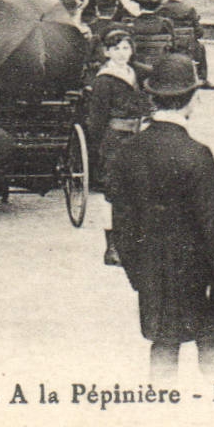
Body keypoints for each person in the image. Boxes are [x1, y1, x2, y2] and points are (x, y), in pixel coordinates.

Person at [107, 53, 214, 380]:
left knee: (163, 351)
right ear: (192, 100)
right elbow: (213, 229)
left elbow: (121, 227)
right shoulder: (197, 154)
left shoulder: (127, 151)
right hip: (199, 280)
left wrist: (140, 276)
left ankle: (160, 415)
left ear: (152, 97)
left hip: (153, 276)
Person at [85, 29, 151, 267]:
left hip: (136, 136)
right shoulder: (105, 79)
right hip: (114, 138)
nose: (122, 53)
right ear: (107, 52)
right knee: (112, 192)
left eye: (126, 48)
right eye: (116, 49)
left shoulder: (136, 74)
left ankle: (134, 243)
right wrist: (99, 145)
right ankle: (112, 246)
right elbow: (98, 117)